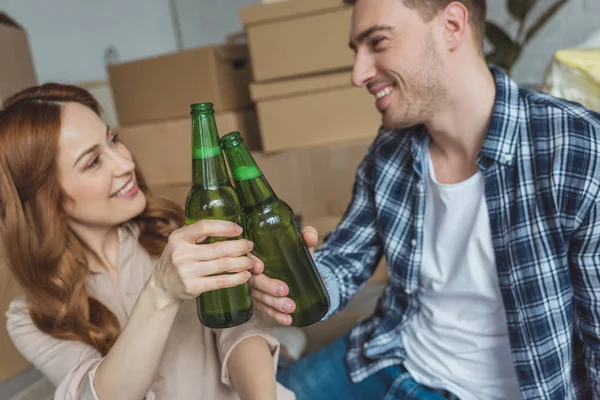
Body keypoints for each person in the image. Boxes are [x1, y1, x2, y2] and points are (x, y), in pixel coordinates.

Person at [251, 0, 600, 399]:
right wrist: (300, 283)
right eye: (356, 52)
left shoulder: (580, 149)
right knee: (253, 391)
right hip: (392, 354)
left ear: (451, 25)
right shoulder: (390, 149)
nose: (358, 73)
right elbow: (345, 259)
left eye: (378, 42)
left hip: (517, 389)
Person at [1, 84, 294, 400]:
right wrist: (161, 292)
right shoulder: (34, 317)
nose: (125, 164)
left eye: (113, 139)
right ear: (48, 200)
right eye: (93, 162)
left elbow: (239, 330)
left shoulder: (178, 231)